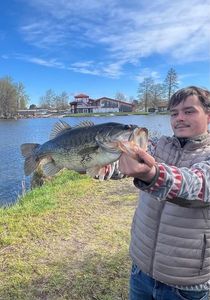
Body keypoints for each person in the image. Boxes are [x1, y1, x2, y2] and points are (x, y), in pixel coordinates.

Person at [119, 86, 210, 300]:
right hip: (140, 270)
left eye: (189, 111)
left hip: (186, 286)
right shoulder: (159, 145)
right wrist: (105, 166)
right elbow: (129, 162)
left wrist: (152, 173)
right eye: (174, 113)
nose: (179, 118)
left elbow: (195, 184)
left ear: (208, 115)